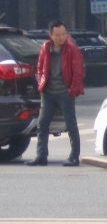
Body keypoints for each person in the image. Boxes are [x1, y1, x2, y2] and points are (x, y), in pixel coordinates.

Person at [26, 20, 84, 167]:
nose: (61, 37)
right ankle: (41, 156)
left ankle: (74, 157)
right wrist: (41, 84)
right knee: (42, 124)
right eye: (57, 35)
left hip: (65, 92)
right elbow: (39, 68)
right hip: (48, 92)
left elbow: (78, 72)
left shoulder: (72, 49)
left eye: (64, 34)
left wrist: (72, 90)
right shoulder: (45, 47)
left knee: (71, 124)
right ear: (51, 35)